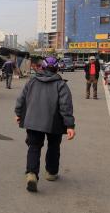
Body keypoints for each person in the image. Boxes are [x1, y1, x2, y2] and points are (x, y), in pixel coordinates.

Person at [15, 56, 75, 193]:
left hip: (33, 120)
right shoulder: (61, 84)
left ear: (43, 67)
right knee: (54, 146)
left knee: (34, 146)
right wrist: (70, 125)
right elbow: (66, 106)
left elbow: (21, 99)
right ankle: (51, 173)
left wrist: (18, 114)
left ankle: (31, 174)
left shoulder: (32, 81)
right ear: (57, 68)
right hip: (54, 122)